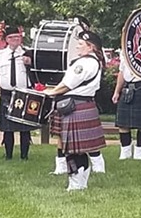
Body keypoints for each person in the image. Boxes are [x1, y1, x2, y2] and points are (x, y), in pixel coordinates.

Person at [44, 31, 106, 191]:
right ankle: (80, 183)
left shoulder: (84, 63)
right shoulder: (93, 61)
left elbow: (67, 84)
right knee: (79, 150)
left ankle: (76, 184)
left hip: (75, 106)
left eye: (80, 44)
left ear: (90, 46)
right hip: (83, 104)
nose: (77, 46)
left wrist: (51, 92)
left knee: (72, 150)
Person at [0, 25, 33, 160]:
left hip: (23, 93)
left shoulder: (27, 53)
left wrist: (29, 63)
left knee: (25, 128)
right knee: (8, 129)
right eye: (12, 37)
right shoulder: (1, 55)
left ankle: (24, 156)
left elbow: (35, 73)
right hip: (6, 93)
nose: (15, 40)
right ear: (6, 39)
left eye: (17, 37)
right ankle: (8, 155)